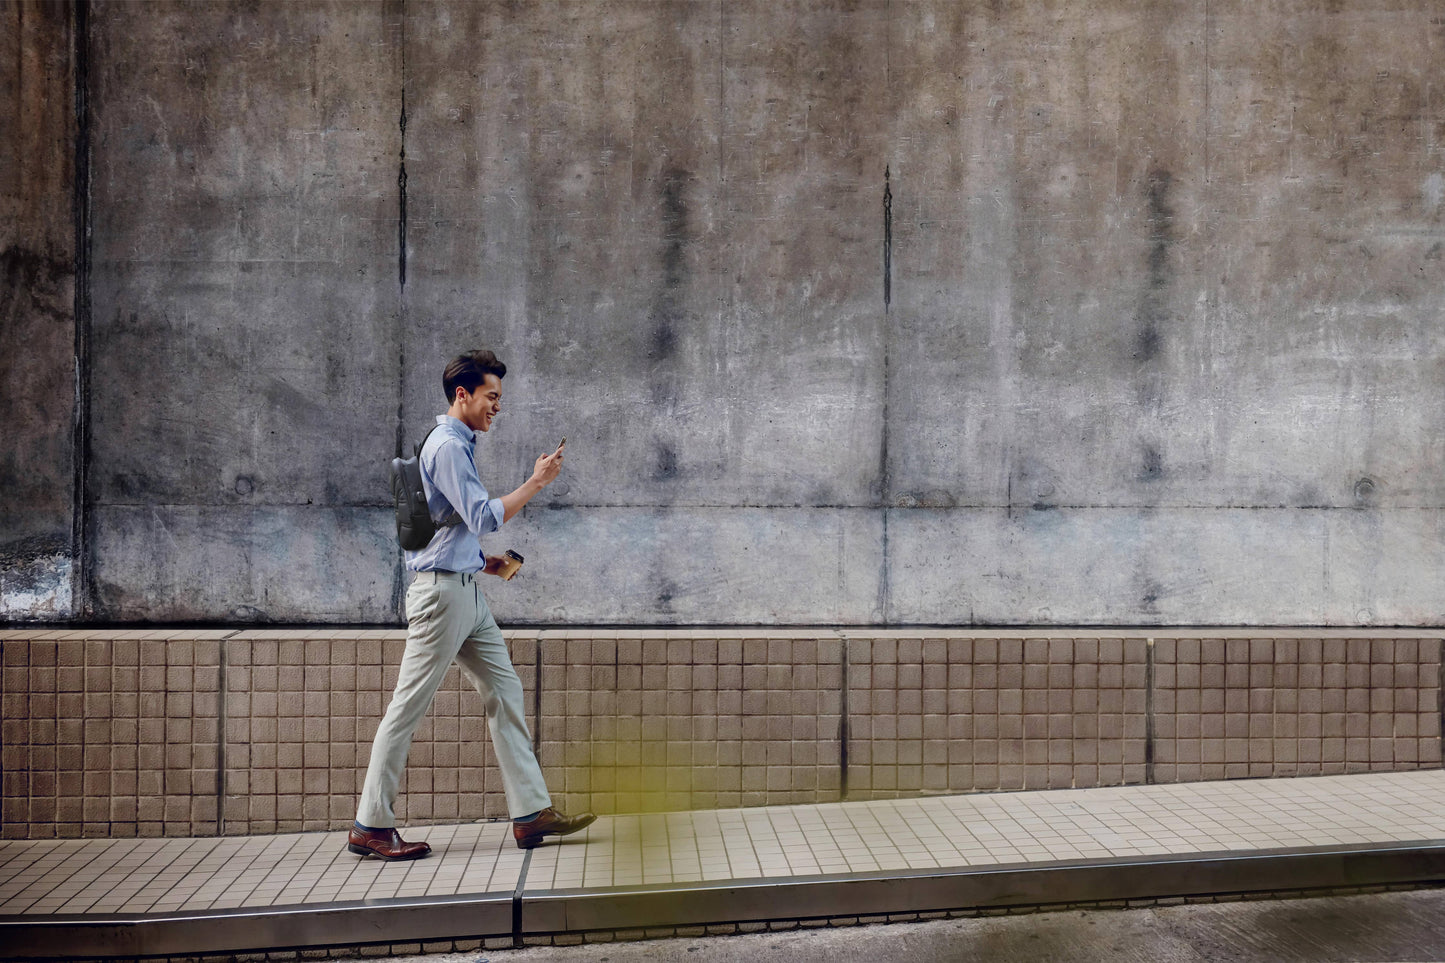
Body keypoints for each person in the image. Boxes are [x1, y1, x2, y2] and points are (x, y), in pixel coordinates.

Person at [348, 349, 595, 860]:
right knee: (406, 708)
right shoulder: (447, 447)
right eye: (491, 396)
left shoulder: (456, 444)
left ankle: (531, 814)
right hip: (442, 599)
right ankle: (370, 824)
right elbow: (482, 515)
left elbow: (448, 528)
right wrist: (536, 482)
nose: (497, 406)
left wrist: (485, 564)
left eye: (499, 398)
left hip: (464, 591)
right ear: (463, 394)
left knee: (504, 691)